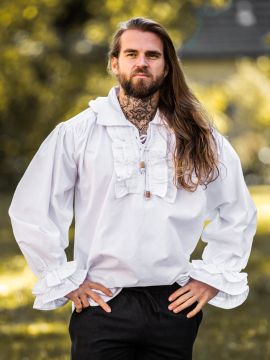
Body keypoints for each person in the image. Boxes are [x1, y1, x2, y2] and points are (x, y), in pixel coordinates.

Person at [8, 17, 257, 360]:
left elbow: (237, 210)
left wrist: (213, 276)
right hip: (101, 303)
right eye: (131, 53)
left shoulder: (199, 136)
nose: (142, 62)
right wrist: (64, 279)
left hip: (173, 303)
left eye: (153, 55)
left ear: (167, 67)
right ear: (115, 63)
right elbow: (31, 209)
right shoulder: (78, 133)